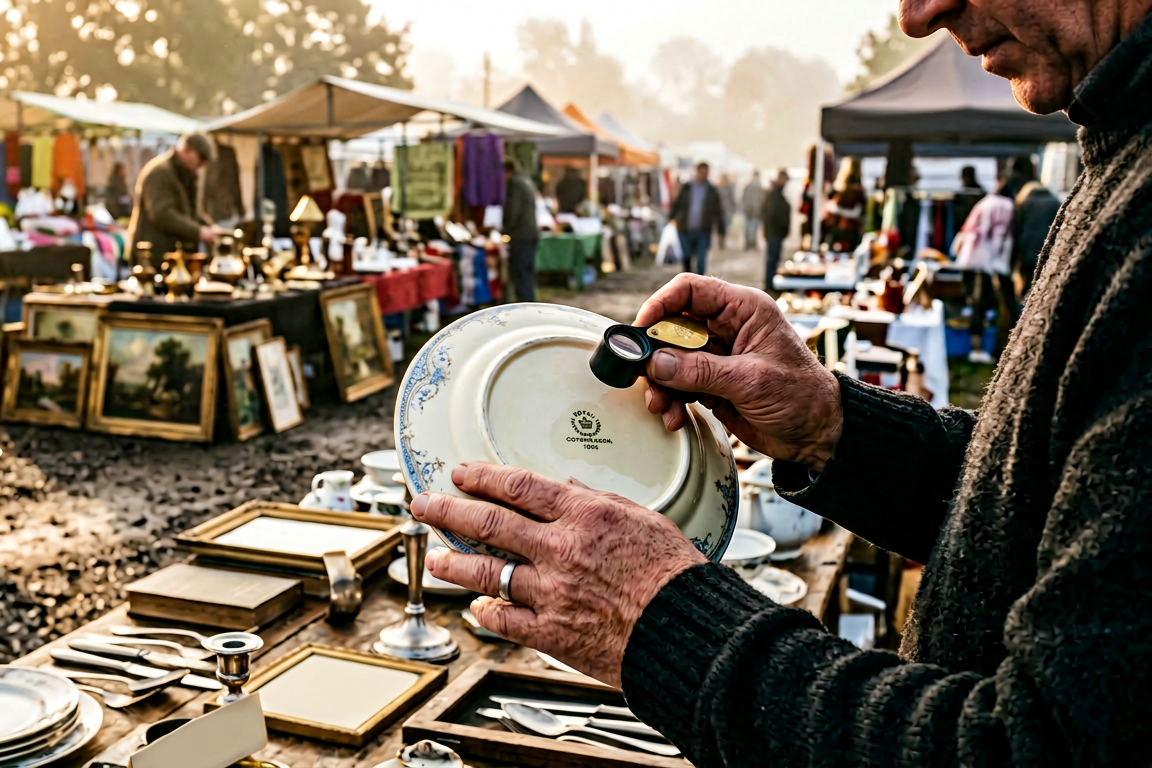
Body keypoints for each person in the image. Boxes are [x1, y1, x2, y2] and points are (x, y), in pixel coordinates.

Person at [412, 1, 1152, 765]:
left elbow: (1043, 747)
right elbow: (1045, 502)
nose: (920, 14)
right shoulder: (1122, 137)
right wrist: (834, 427)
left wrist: (663, 622)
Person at [126, 133, 219, 264]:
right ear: (187, 149)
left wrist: (210, 227)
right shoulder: (160, 173)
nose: (202, 164)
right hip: (154, 256)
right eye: (201, 157)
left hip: (174, 256)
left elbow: (190, 212)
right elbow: (161, 213)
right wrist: (197, 231)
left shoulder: (184, 175)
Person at [953, 175, 1017, 363]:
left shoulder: (984, 203)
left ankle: (977, 347)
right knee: (999, 304)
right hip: (995, 260)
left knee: (977, 303)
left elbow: (967, 229)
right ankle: (997, 348)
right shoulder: (1009, 206)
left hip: (974, 257)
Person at [667, 162, 725, 276]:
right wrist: (671, 217)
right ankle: (687, 281)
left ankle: (699, 281)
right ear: (697, 171)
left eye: (706, 172)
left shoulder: (712, 190)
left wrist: (721, 230)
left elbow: (718, 211)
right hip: (685, 227)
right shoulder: (687, 187)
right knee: (686, 255)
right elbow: (678, 204)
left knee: (701, 258)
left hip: (703, 228)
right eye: (702, 171)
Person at [1009, 178, 1061, 303]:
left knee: (1028, 290)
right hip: (1051, 253)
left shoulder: (1026, 203)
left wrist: (1014, 262)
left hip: (1029, 252)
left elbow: (1016, 231)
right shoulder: (1056, 202)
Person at [501, 157, 540, 302]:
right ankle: (529, 302)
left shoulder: (516, 184)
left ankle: (524, 306)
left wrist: (505, 228)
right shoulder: (527, 181)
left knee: (521, 273)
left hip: (520, 235)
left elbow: (513, 211)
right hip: (530, 233)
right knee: (528, 273)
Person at [824, 158, 866, 252]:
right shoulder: (843, 191)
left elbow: (856, 213)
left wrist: (836, 209)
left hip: (848, 231)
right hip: (845, 230)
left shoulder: (852, 192)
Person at [761, 169, 791, 292]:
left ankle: (770, 284)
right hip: (774, 232)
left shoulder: (776, 193)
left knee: (773, 259)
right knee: (772, 259)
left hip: (776, 232)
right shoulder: (774, 194)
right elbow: (771, 214)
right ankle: (769, 285)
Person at [739, 171, 764, 251]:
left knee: (748, 228)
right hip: (754, 210)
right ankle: (751, 243)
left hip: (749, 210)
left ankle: (748, 244)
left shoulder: (748, 186)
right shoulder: (759, 187)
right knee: (752, 228)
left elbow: (743, 199)